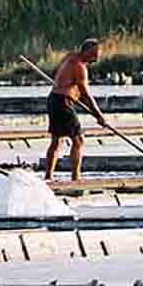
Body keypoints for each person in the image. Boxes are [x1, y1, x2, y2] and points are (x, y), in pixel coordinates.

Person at [45, 38, 106, 182]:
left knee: (56, 140)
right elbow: (86, 94)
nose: (97, 58)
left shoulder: (70, 57)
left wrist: (73, 94)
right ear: (86, 51)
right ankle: (76, 177)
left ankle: (48, 176)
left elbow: (66, 81)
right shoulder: (79, 66)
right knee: (78, 140)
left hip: (54, 98)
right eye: (95, 54)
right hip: (62, 102)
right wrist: (99, 116)